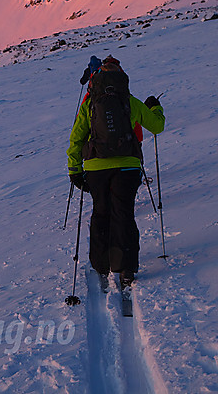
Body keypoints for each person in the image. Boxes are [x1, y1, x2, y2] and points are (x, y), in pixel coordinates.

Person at [66, 55, 165, 287]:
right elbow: (157, 126)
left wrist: (75, 169)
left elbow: (76, 138)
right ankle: (126, 268)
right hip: (127, 167)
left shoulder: (90, 104)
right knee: (124, 214)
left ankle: (101, 265)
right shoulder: (130, 101)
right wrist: (156, 107)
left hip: (95, 167)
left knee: (101, 213)